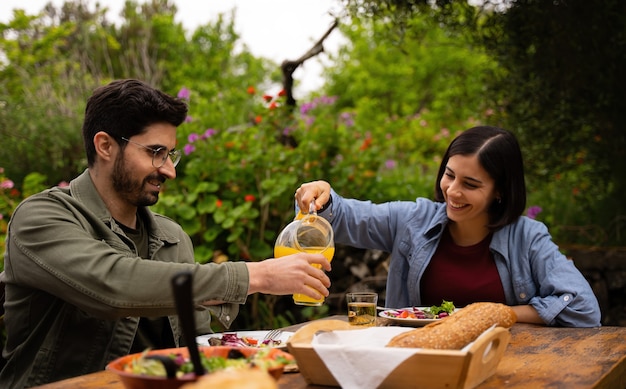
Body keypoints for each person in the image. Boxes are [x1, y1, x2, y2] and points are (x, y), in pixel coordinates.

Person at [0, 79, 331, 387]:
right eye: (155, 152)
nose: (169, 170)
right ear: (105, 146)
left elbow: (194, 345)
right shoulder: (41, 218)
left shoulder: (172, 236)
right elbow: (113, 284)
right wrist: (256, 275)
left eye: (170, 155)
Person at [295, 125, 601, 328]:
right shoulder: (414, 220)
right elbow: (347, 217)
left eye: (470, 184)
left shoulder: (528, 237)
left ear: (500, 191)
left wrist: (499, 314)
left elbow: (583, 309)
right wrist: (322, 193)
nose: (452, 191)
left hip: (506, 367)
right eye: (449, 175)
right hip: (418, 364)